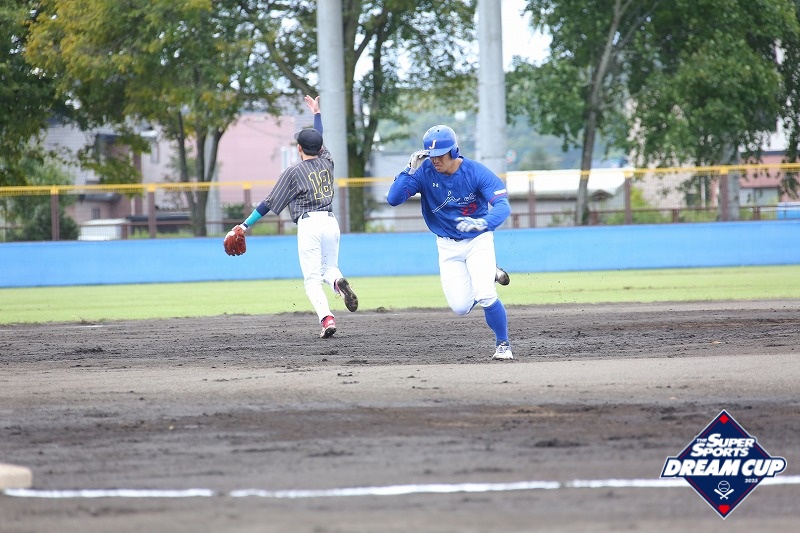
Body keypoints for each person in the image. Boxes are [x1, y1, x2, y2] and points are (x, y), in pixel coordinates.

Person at [227, 95, 358, 339]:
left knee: (311, 279)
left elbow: (268, 203)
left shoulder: (293, 172)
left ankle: (327, 319)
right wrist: (317, 114)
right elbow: (319, 138)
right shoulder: (327, 161)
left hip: (310, 225)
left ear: (299, 148)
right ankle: (338, 282)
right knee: (330, 268)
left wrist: (244, 225)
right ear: (319, 148)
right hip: (331, 222)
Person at [386, 125, 514, 360]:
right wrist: (409, 170)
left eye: (440, 155)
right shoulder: (424, 172)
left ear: (454, 152)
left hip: (478, 240)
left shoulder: (476, 172)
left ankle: (503, 344)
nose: (435, 160)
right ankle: (489, 274)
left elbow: (503, 206)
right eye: (431, 155)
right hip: (447, 245)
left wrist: (483, 223)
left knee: (485, 294)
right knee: (460, 307)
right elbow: (393, 199)